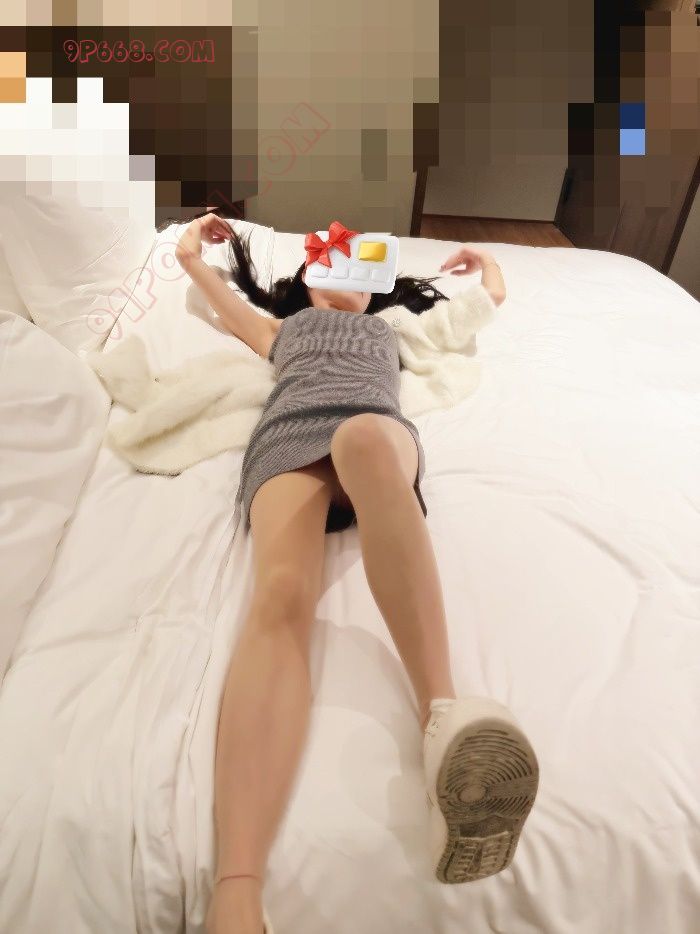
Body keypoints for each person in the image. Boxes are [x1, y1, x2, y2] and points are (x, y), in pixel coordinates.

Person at [175, 214, 539, 934]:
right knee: (280, 593)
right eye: (328, 267)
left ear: (375, 289)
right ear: (306, 280)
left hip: (373, 431)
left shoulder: (392, 331)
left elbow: (483, 305)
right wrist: (191, 255)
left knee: (365, 436)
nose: (343, 279)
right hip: (288, 436)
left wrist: (484, 263)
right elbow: (225, 303)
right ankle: (236, 889)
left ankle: (444, 722)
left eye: (358, 273)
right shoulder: (281, 331)